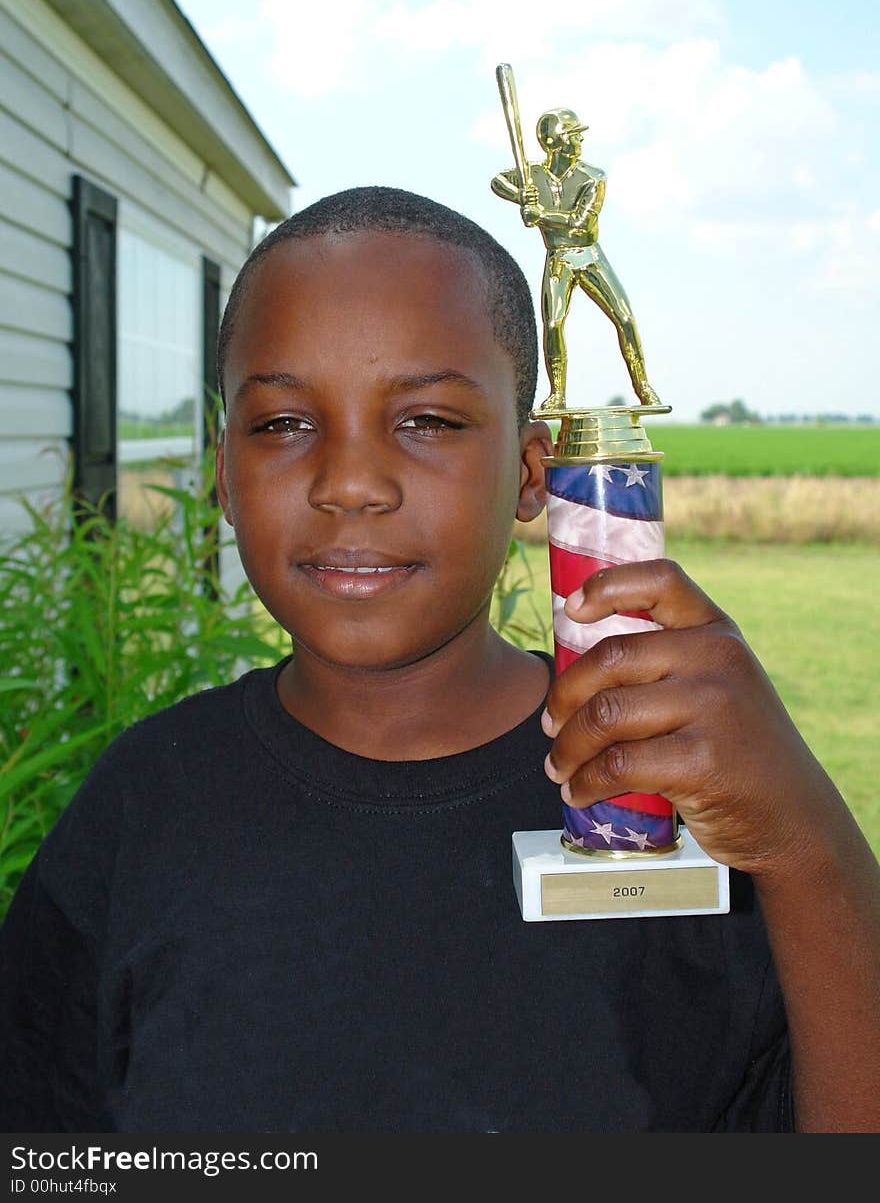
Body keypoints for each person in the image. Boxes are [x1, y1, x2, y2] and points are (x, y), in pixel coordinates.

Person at [1, 186, 878, 1133]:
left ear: (534, 474)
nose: (351, 485)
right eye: (283, 424)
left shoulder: (675, 802)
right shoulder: (144, 807)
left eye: (428, 421)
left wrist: (806, 844)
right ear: (222, 473)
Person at [491, 107, 662, 411]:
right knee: (553, 323)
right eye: (573, 135)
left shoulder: (593, 177)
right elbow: (497, 181)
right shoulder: (534, 175)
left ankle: (644, 388)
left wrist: (540, 213)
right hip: (559, 258)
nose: (579, 140)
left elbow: (581, 222)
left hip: (589, 256)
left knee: (625, 318)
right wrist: (521, 196)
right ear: (555, 142)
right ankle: (557, 394)